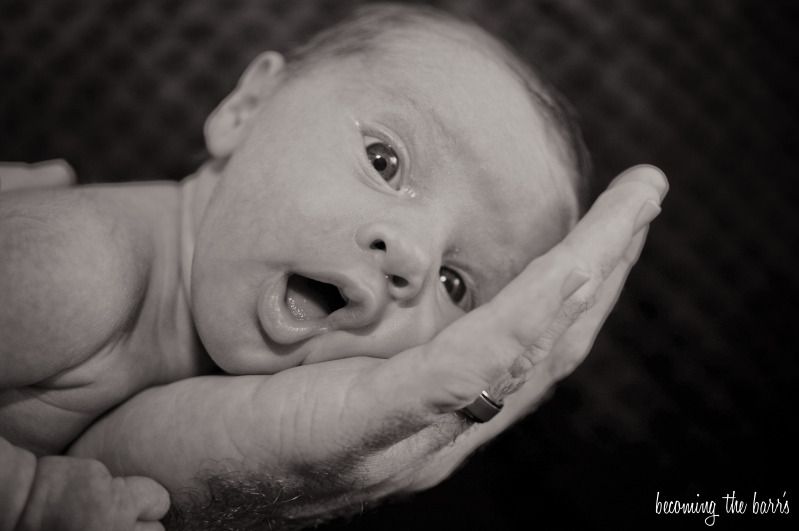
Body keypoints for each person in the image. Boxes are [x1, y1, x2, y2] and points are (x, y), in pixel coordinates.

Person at [0, 4, 668, 530]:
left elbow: (130, 461)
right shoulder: (79, 268)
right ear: (245, 109)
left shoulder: (208, 351)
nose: (410, 253)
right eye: (386, 162)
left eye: (454, 282)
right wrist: (28, 500)